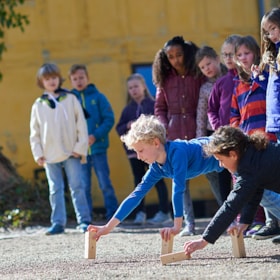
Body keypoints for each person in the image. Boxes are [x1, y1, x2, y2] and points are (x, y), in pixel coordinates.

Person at [87, 114, 223, 242]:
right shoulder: (156, 168)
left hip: (223, 147)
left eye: (140, 151)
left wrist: (176, 226)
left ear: (156, 143)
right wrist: (107, 227)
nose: (139, 157)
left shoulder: (177, 152)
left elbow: (178, 189)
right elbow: (136, 196)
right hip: (220, 164)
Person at [183, 126, 280, 256]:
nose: (220, 165)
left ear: (233, 154)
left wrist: (204, 240)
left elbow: (231, 206)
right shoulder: (252, 154)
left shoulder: (248, 170)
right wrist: (245, 220)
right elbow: (256, 190)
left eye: (221, 160)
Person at [30, 63, 91, 235]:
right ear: (41, 82)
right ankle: (58, 222)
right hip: (49, 154)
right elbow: (34, 132)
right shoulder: (38, 105)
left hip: (71, 151)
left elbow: (81, 124)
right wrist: (38, 153)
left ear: (59, 79)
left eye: (54, 78)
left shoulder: (70, 99)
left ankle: (84, 220)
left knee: (77, 186)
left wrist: (80, 147)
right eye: (47, 79)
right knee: (55, 189)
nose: (51, 81)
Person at [153, 36, 205, 236]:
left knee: (214, 174)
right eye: (171, 56)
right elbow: (159, 108)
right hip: (174, 135)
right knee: (180, 181)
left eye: (179, 55)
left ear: (187, 54)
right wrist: (164, 129)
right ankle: (188, 224)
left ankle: (229, 219)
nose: (175, 60)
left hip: (197, 129)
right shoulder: (164, 79)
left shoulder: (197, 73)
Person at [230, 35, 277, 237]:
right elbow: (234, 114)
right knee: (261, 181)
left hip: (268, 136)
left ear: (256, 53)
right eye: (239, 55)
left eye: (247, 53)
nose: (244, 57)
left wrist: (261, 79)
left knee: (273, 178)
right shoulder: (238, 85)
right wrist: (238, 132)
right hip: (249, 139)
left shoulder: (266, 75)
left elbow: (274, 97)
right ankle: (271, 222)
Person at [116, 73, 171, 225]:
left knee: (158, 179)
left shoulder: (152, 105)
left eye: (136, 86)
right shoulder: (128, 109)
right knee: (138, 181)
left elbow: (160, 125)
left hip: (153, 153)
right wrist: (128, 125)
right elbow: (118, 128)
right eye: (130, 88)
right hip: (134, 154)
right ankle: (140, 213)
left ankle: (164, 212)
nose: (133, 90)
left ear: (143, 87)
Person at [69, 64, 118, 221]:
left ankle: (113, 216)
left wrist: (95, 135)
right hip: (80, 152)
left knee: (105, 183)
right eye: (75, 79)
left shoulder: (98, 97)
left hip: (98, 148)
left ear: (88, 78)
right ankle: (86, 218)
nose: (79, 81)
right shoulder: (69, 100)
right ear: (71, 81)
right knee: (84, 186)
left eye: (81, 77)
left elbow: (109, 119)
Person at [251, 8, 280, 242]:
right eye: (267, 31)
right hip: (275, 121)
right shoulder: (272, 55)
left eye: (273, 28)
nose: (270, 34)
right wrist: (258, 79)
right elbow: (271, 91)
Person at [208, 34, 241, 202]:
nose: (228, 58)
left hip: (244, 135)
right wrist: (218, 127)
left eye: (231, 53)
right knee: (226, 178)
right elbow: (211, 109)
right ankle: (234, 218)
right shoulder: (221, 83)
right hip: (225, 137)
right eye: (224, 54)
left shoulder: (246, 78)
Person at [195, 45, 227, 206]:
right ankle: (226, 209)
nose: (206, 69)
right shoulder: (205, 88)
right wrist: (200, 141)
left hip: (232, 130)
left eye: (208, 63)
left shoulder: (231, 77)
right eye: (202, 67)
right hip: (213, 133)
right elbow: (201, 116)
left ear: (217, 59)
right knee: (219, 173)